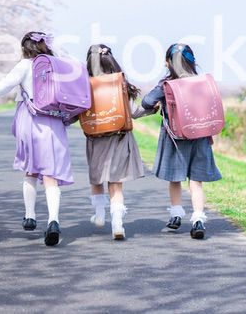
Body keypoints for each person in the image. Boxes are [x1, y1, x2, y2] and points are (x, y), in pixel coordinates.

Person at [0, 32, 73, 246]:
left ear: (25, 48)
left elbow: (4, 84)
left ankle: (30, 216)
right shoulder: (57, 64)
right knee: (51, 174)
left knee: (30, 169)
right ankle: (54, 220)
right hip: (55, 122)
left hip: (31, 120)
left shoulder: (24, 65)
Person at [138, 43, 222, 239]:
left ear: (168, 63)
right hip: (200, 135)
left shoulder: (167, 85)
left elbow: (146, 102)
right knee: (196, 181)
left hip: (175, 137)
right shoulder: (203, 81)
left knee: (175, 178)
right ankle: (198, 219)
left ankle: (176, 215)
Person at [83, 44, 146, 240]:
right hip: (119, 137)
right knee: (116, 183)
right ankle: (117, 224)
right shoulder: (120, 84)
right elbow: (134, 111)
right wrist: (153, 109)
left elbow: (76, 112)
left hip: (96, 139)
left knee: (97, 179)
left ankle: (100, 214)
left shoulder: (85, 85)